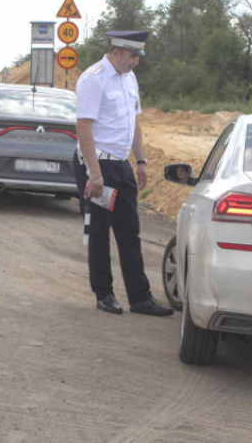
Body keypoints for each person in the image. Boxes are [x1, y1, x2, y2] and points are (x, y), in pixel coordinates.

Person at [73, 31, 174, 317]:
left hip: (120, 165)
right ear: (117, 51)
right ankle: (104, 294)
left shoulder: (128, 78)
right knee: (99, 231)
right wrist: (94, 174)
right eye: (132, 56)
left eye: (138, 57)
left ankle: (140, 298)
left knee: (130, 232)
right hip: (98, 166)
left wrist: (141, 160)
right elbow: (84, 127)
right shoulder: (94, 78)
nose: (136, 62)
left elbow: (134, 121)